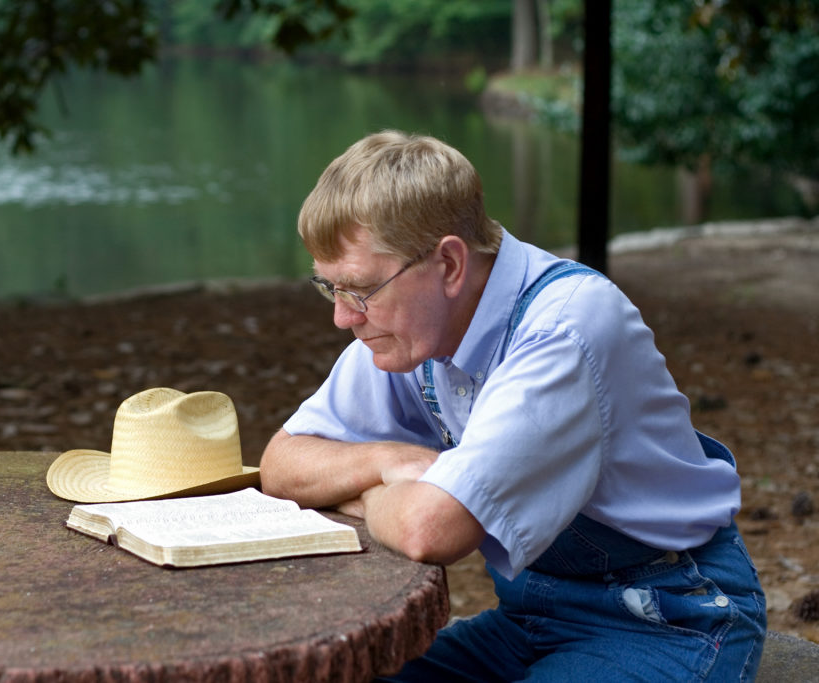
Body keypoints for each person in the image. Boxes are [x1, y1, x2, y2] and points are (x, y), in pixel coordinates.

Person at [259, 130, 766, 681]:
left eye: (357, 290)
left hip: (667, 620)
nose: (342, 316)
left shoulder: (564, 331)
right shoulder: (410, 330)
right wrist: (385, 464)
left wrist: (374, 493)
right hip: (531, 617)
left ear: (449, 264)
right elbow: (281, 464)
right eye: (329, 288)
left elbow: (429, 531)